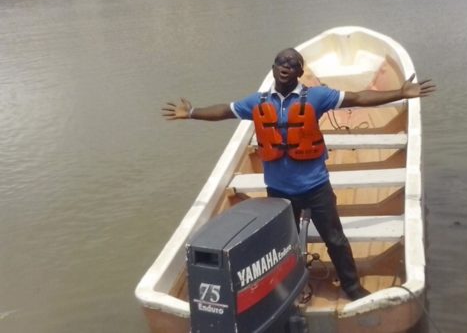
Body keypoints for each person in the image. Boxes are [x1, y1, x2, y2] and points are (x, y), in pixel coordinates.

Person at [162, 48, 435, 301]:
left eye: (293, 64)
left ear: (299, 72)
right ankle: (289, 287)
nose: (286, 66)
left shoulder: (317, 96)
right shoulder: (257, 102)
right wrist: (193, 113)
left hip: (315, 186)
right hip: (279, 191)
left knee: (335, 239)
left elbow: (360, 97)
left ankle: (352, 287)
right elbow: (225, 110)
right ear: (273, 68)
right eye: (281, 62)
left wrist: (401, 92)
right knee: (281, 245)